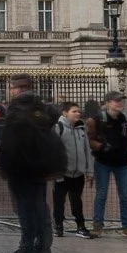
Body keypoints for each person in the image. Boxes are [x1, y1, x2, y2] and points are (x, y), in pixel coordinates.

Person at [0, 75, 65, 253]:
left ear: (18, 89)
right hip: (41, 166)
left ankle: (26, 249)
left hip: (21, 167)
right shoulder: (42, 107)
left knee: (25, 209)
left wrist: (4, 165)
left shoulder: (18, 109)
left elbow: (10, 143)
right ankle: (43, 249)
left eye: (11, 88)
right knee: (40, 207)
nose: (10, 92)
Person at [88, 92, 127, 238]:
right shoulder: (96, 120)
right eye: (116, 101)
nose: (119, 103)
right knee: (101, 194)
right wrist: (100, 146)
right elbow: (90, 139)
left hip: (122, 162)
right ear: (107, 102)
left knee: (125, 196)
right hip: (103, 162)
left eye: (121, 101)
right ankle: (97, 225)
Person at [53, 102, 93, 239]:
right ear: (65, 113)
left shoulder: (81, 129)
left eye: (78, 111)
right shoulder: (58, 128)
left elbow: (87, 151)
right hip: (62, 173)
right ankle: (58, 225)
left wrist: (89, 170)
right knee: (59, 201)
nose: (78, 113)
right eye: (74, 111)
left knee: (77, 201)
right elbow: (54, 152)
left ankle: (80, 226)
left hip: (78, 173)